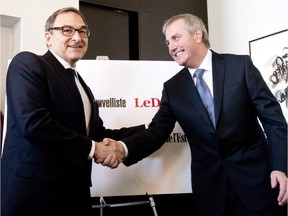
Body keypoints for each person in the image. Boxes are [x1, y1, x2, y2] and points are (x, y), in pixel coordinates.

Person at [99, 13, 288, 216]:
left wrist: (281, 167)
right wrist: (122, 148)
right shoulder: (173, 88)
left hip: (258, 185)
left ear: (197, 34)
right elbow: (156, 133)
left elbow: (274, 121)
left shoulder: (239, 67)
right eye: (167, 42)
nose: (171, 47)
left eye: (176, 38)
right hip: (211, 195)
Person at [1, 7, 144, 216]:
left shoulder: (82, 85)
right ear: (48, 37)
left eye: (83, 31)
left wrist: (149, 129)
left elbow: (95, 134)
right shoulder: (27, 63)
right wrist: (95, 149)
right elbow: (34, 124)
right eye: (67, 30)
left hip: (75, 195)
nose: (77, 37)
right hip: (34, 197)